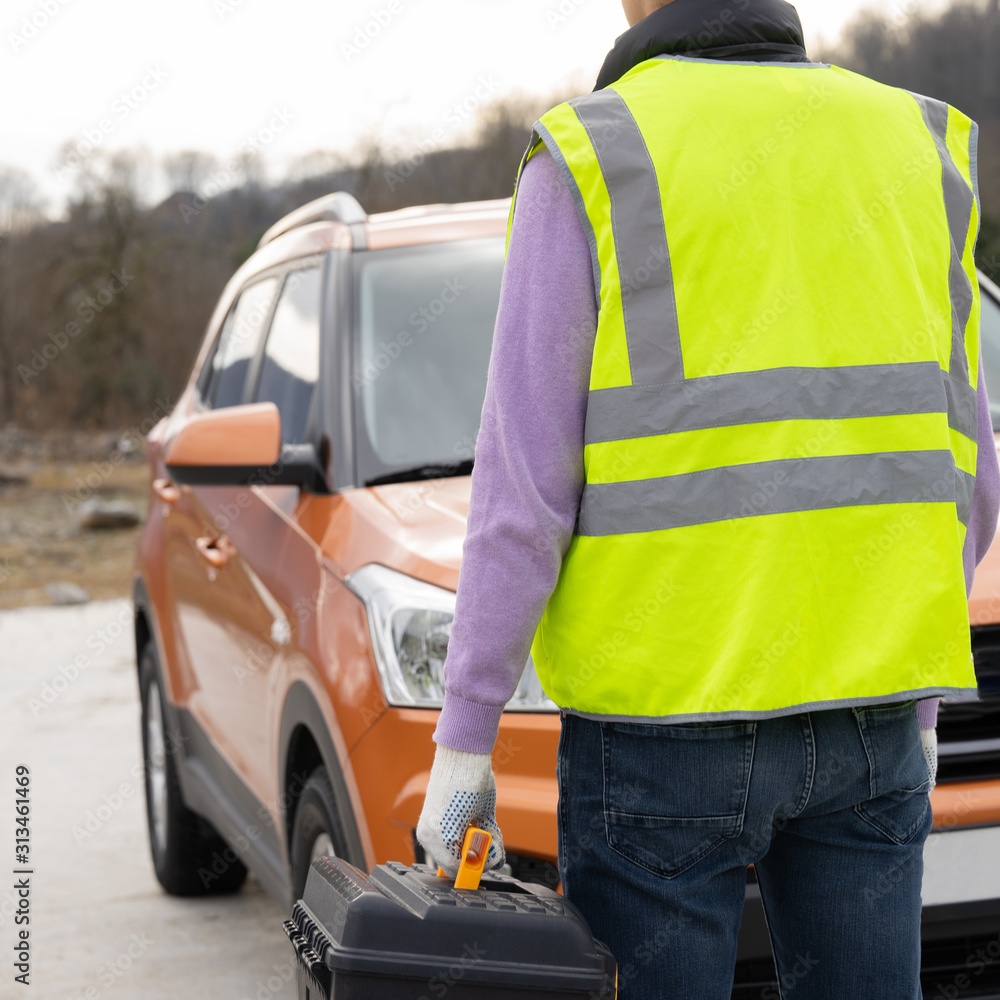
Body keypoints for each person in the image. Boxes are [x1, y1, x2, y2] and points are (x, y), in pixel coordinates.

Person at [417, 0, 1000, 996]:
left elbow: (523, 491)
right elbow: (965, 469)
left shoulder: (593, 155)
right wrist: (918, 692)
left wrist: (465, 738)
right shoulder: (915, 141)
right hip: (870, 720)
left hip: (661, 736)